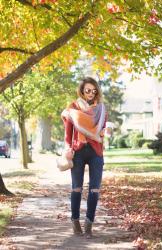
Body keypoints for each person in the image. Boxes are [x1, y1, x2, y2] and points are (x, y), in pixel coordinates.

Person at [61, 77, 107, 238]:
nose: (91, 94)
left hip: (96, 152)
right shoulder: (72, 108)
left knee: (95, 189)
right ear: (81, 91)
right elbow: (68, 135)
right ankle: (75, 222)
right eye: (88, 90)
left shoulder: (101, 109)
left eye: (94, 91)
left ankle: (89, 224)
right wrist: (67, 149)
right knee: (77, 188)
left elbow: (104, 129)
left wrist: (104, 132)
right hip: (78, 151)